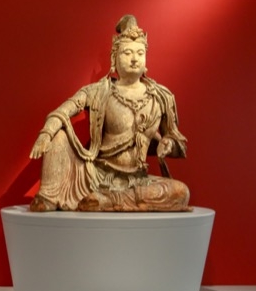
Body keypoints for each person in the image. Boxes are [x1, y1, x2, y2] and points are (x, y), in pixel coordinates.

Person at [29, 15, 190, 212]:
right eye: (127, 53)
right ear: (114, 58)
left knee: (181, 192)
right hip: (96, 176)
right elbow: (62, 111)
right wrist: (46, 133)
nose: (134, 59)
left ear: (146, 58)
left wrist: (169, 144)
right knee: (60, 137)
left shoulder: (161, 97)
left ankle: (109, 201)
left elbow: (178, 142)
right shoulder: (98, 91)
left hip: (136, 181)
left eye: (140, 53)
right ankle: (49, 196)